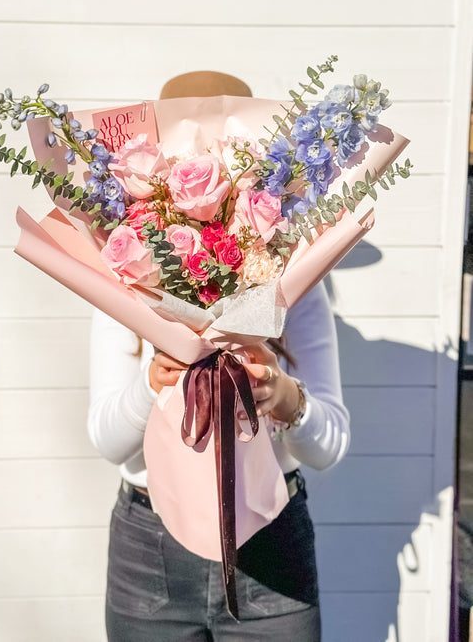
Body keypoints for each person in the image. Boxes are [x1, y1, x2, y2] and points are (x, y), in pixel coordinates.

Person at [87, 72, 350, 641]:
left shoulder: (294, 289)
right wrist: (154, 382)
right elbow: (108, 441)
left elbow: (331, 445)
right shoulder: (123, 276)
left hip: (271, 543)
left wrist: (286, 400)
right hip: (149, 551)